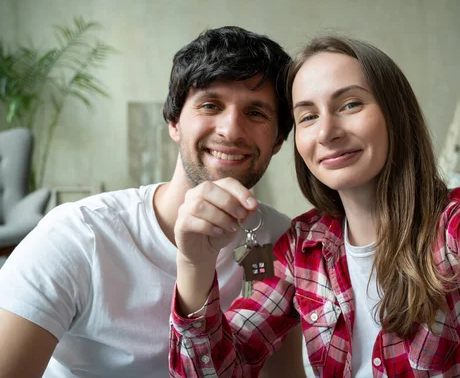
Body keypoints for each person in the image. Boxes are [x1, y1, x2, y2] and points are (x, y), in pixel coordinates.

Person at [168, 35, 460, 378]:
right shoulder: (299, 248)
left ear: (395, 114)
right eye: (308, 116)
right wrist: (194, 263)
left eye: (350, 104)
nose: (328, 132)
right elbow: (214, 370)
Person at [0, 26, 306, 378]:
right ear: (174, 122)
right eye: (210, 105)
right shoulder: (77, 235)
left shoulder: (279, 238)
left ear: (279, 139)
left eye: (256, 113)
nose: (231, 130)